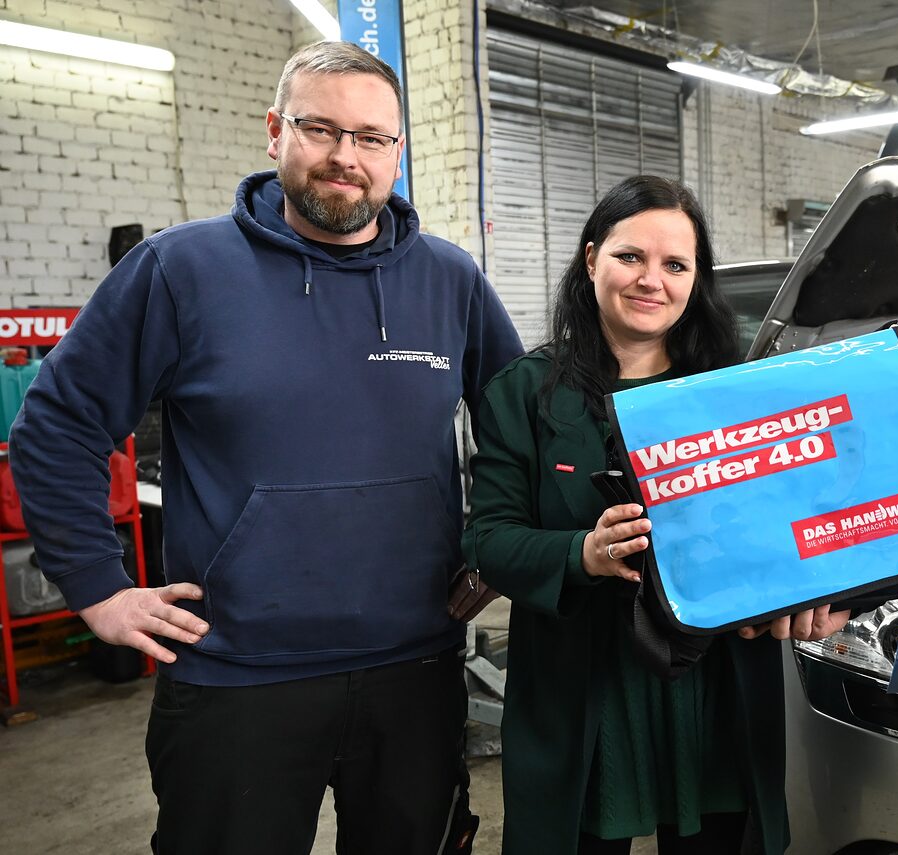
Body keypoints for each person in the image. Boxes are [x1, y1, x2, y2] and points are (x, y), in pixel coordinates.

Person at [10, 41, 523, 855]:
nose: (344, 158)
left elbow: (520, 431)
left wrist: (503, 554)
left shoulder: (449, 279)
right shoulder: (179, 270)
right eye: (320, 129)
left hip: (415, 668)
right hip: (233, 673)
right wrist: (97, 586)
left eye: (371, 137)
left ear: (398, 151)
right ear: (275, 131)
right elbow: (58, 422)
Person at [463, 175, 874, 855]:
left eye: (675, 264)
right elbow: (488, 539)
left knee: (726, 833)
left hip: (713, 680)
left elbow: (801, 520)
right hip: (586, 680)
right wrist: (581, 554)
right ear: (591, 258)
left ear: (695, 280)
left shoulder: (738, 393)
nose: (651, 279)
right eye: (630, 256)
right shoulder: (524, 393)